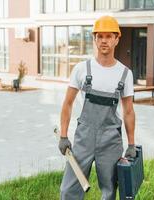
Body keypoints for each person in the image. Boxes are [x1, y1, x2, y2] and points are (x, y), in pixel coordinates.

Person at [58, 15, 136, 200]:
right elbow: (67, 104)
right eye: (99, 36)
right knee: (68, 189)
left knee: (109, 190)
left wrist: (131, 144)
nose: (104, 40)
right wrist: (63, 135)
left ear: (117, 39)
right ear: (94, 38)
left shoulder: (125, 73)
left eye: (109, 36)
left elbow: (129, 111)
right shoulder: (81, 69)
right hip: (84, 137)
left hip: (111, 140)